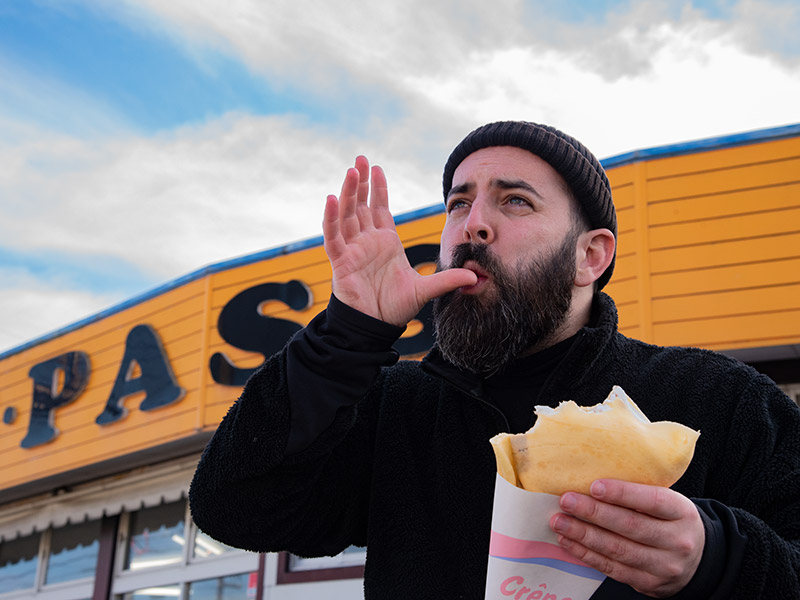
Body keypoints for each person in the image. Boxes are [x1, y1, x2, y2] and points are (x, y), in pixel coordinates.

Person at [189, 121, 800, 599]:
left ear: (591, 256)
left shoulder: (718, 398)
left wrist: (717, 560)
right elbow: (236, 508)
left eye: (514, 202)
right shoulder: (394, 408)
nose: (472, 224)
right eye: (459, 204)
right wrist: (348, 335)